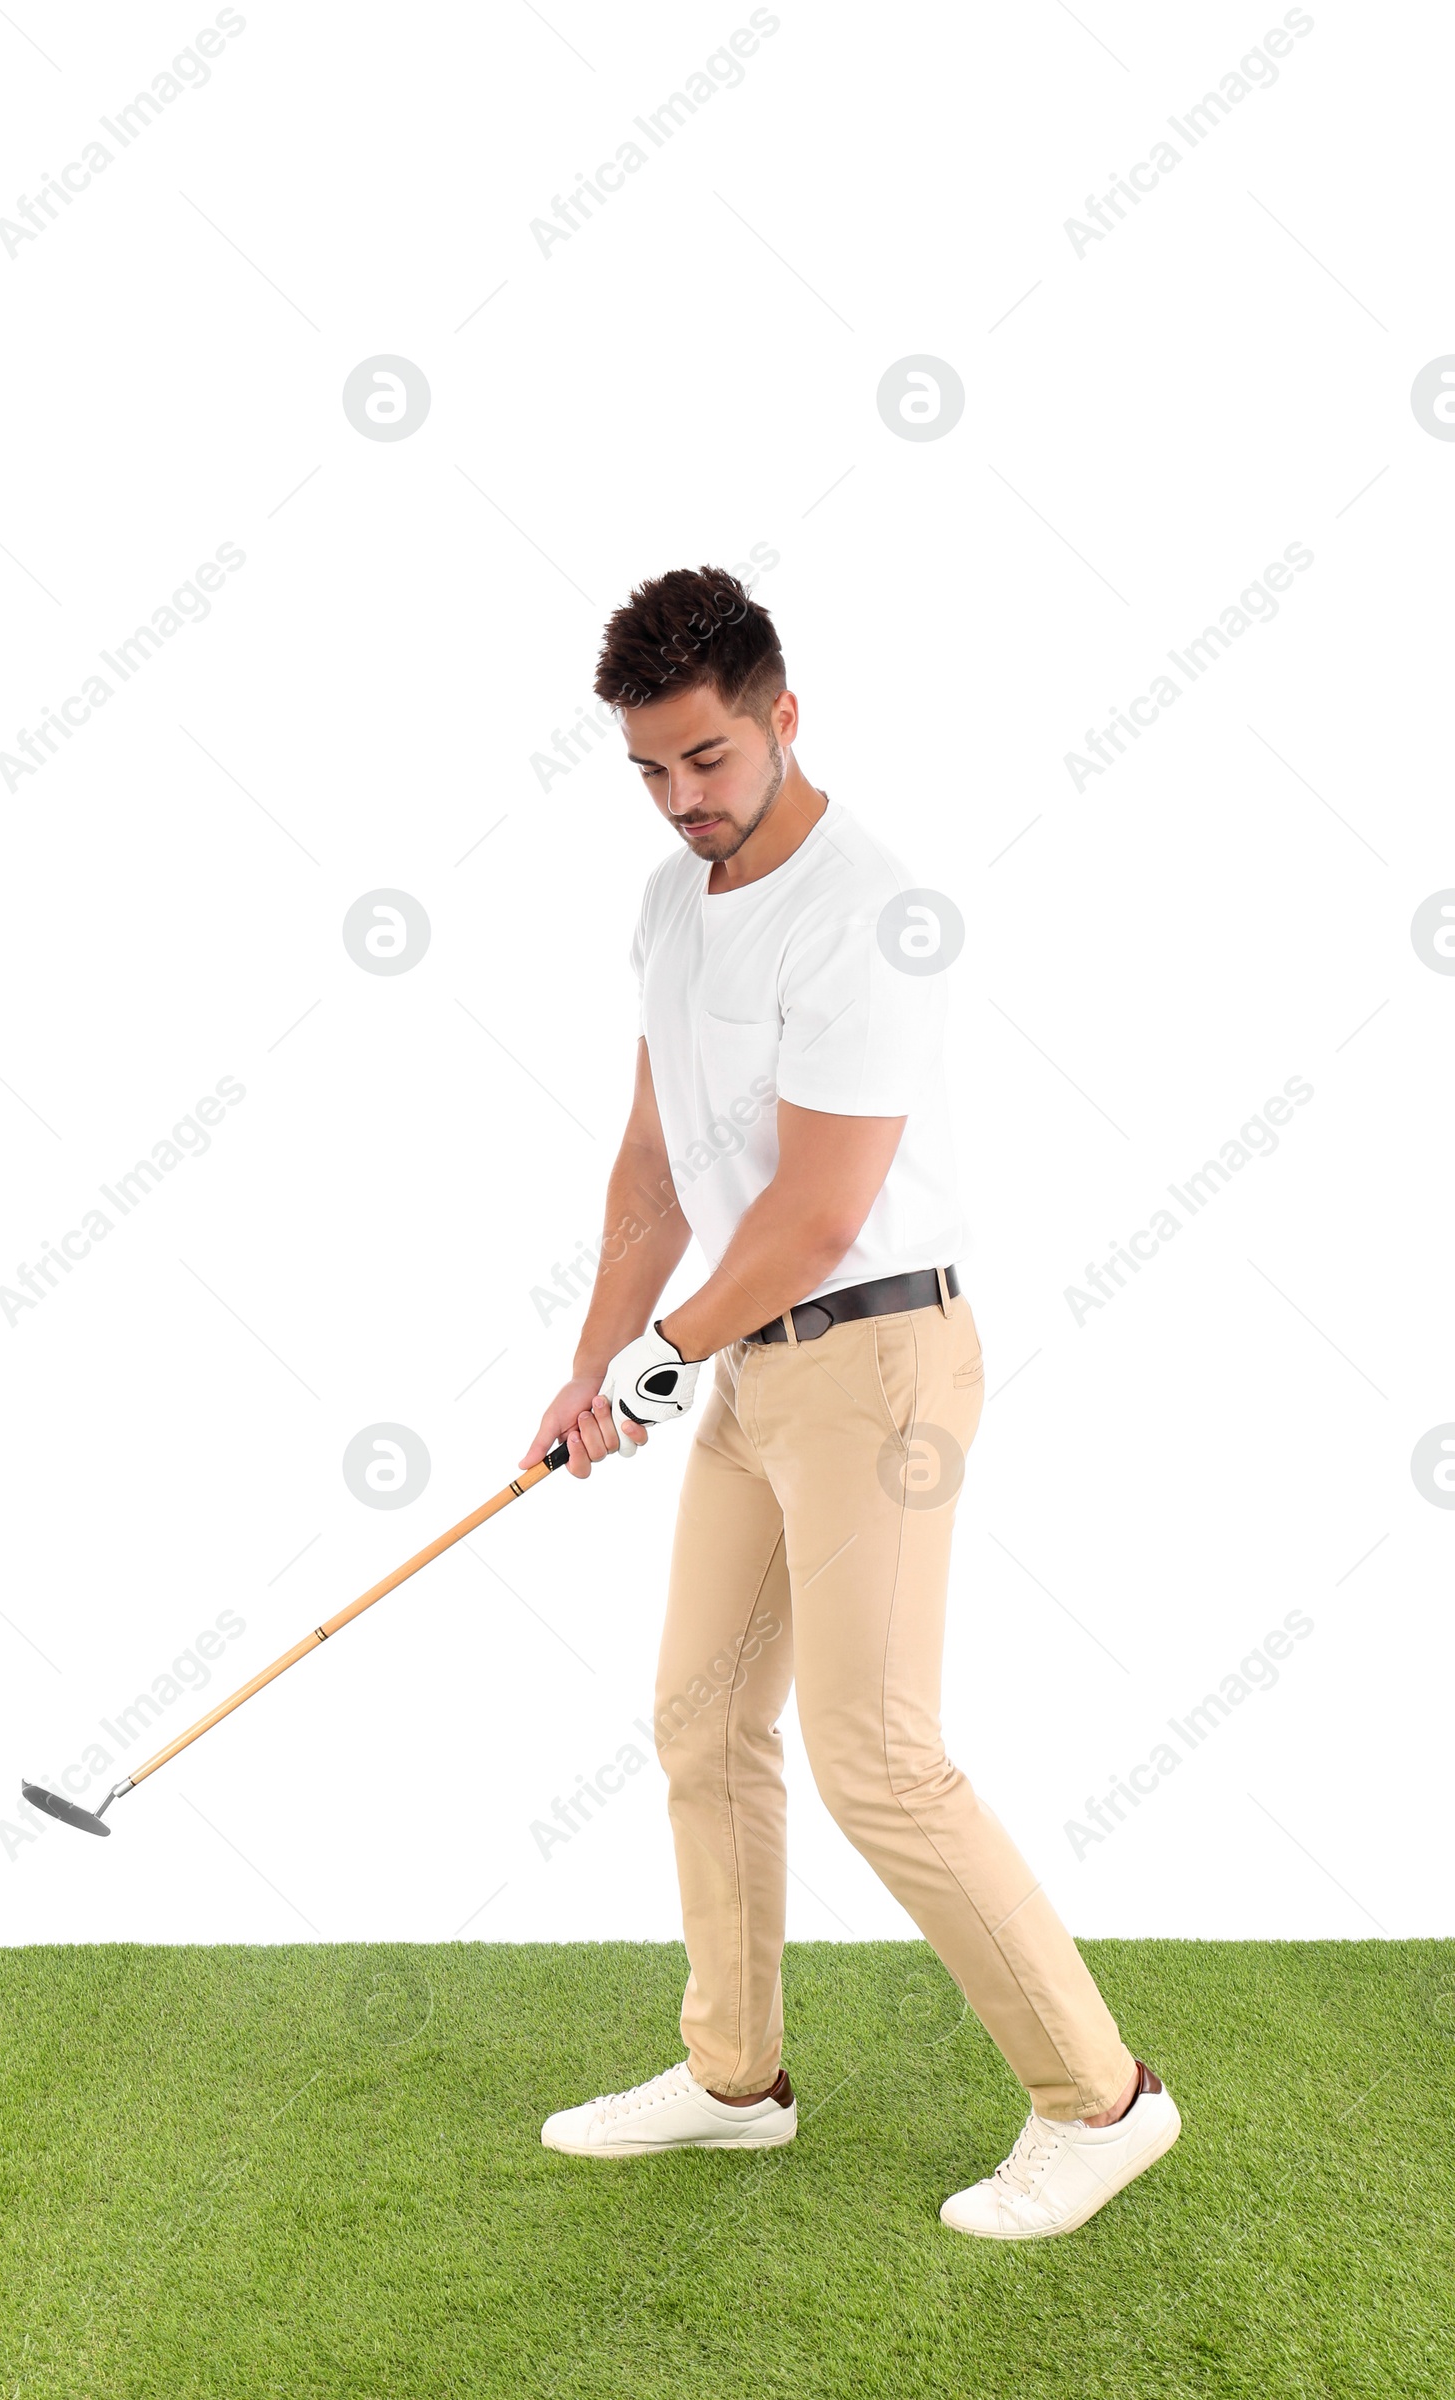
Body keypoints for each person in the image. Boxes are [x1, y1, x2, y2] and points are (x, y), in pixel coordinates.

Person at [519, 566, 1179, 2238]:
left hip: (881, 1359)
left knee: (875, 1755)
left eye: (710, 762)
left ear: (784, 715)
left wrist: (658, 1366)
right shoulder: (675, 903)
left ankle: (1101, 2101)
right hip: (753, 1363)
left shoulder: (867, 914)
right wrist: (593, 1368)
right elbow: (656, 1163)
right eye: (652, 773)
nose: (684, 803)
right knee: (698, 1717)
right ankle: (734, 2079)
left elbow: (817, 1211)